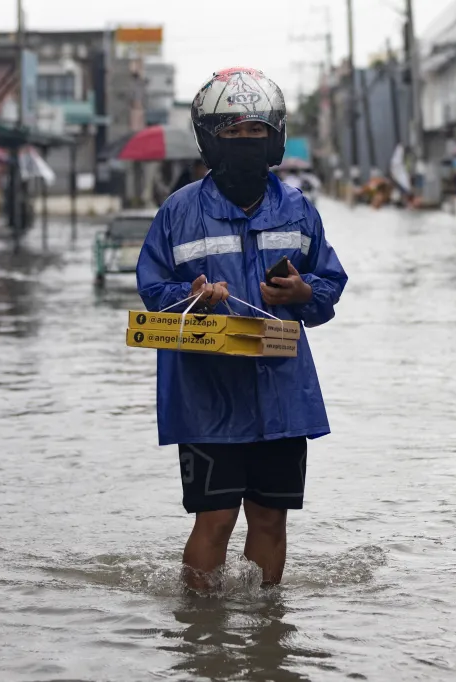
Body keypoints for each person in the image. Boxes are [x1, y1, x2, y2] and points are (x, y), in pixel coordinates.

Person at [136, 67, 348, 592]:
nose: (245, 143)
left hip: (281, 393)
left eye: (255, 132)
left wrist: (304, 293)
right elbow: (153, 290)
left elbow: (328, 285)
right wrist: (193, 300)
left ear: (273, 137)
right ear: (210, 139)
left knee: (271, 519)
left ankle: (265, 634)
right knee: (215, 518)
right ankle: (203, 632)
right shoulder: (178, 212)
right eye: (232, 133)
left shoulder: (299, 211)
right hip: (207, 395)